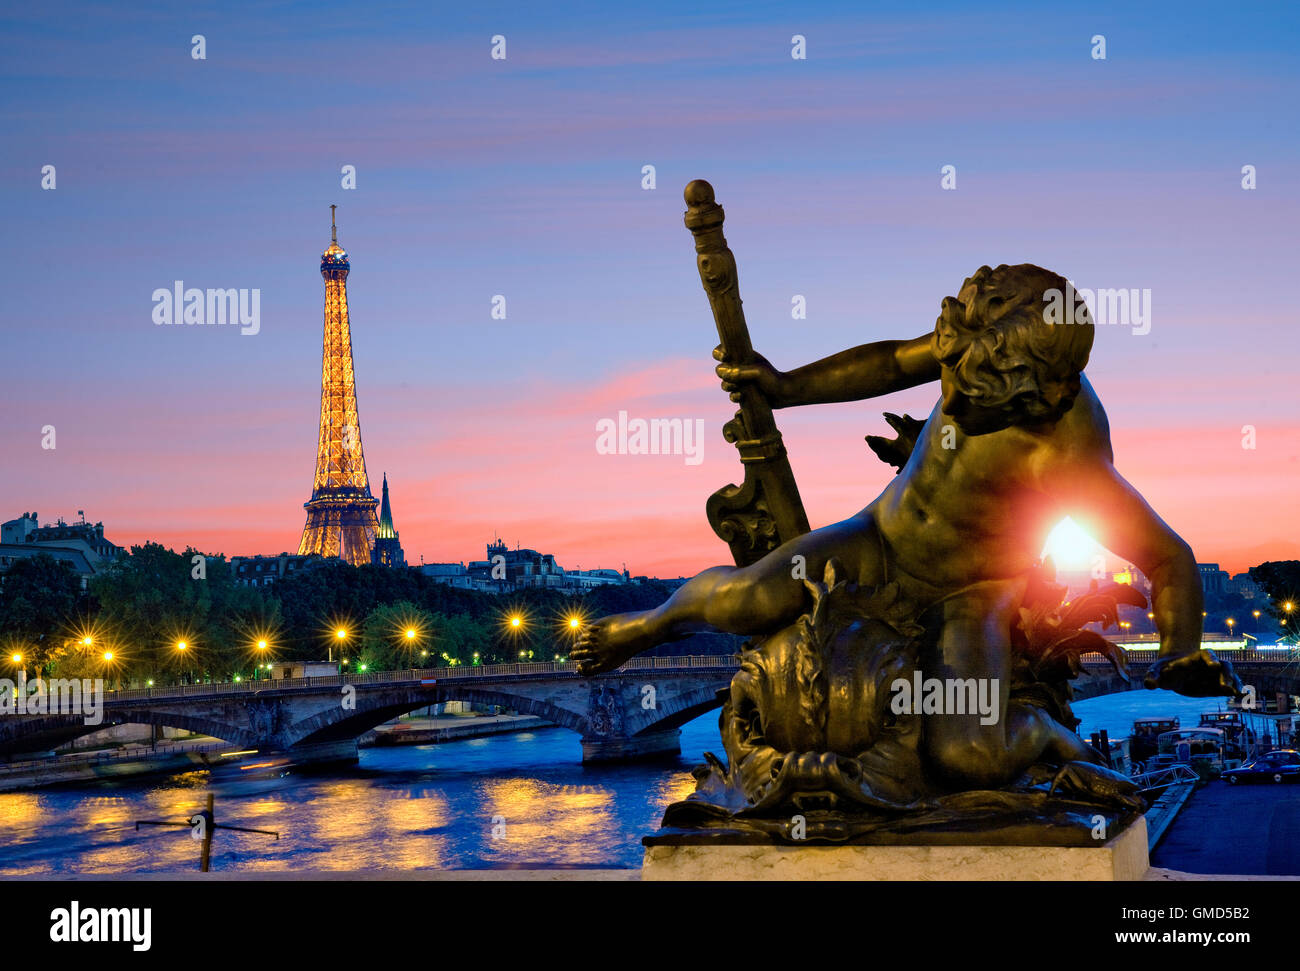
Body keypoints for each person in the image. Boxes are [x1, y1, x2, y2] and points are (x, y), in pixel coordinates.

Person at [575, 263, 1239, 792]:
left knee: (970, 754)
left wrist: (1179, 648)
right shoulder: (979, 348)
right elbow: (892, 362)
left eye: (969, 397)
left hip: (970, 592)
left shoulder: (1070, 452)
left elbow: (1167, 555)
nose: (946, 395)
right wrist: (783, 385)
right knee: (745, 598)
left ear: (1042, 397)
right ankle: (650, 622)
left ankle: (1040, 731)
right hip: (881, 540)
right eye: (947, 376)